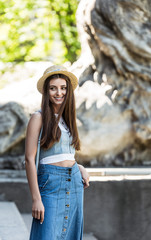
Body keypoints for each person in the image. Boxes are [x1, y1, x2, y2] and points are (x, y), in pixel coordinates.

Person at [25, 65, 90, 240]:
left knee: (71, 234)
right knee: (46, 235)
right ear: (46, 91)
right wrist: (36, 199)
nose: (59, 93)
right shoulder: (38, 118)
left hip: (74, 181)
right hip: (50, 185)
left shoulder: (68, 120)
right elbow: (29, 159)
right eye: (53, 88)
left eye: (63, 88)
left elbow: (66, 154)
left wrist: (80, 166)